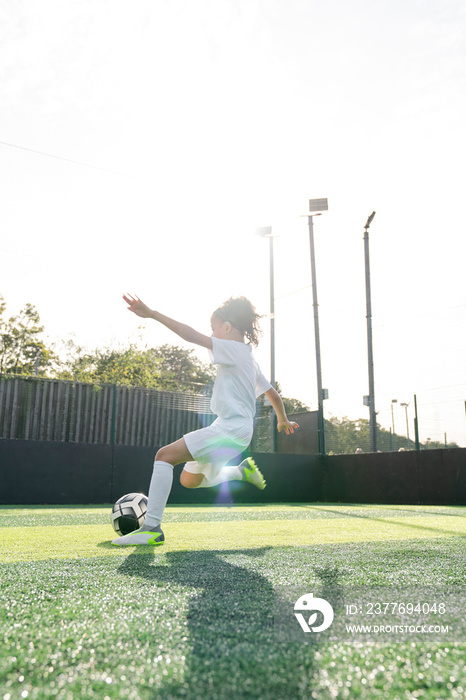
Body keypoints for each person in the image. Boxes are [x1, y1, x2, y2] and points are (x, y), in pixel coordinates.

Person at [112, 294, 299, 546]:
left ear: (227, 327)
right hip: (235, 431)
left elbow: (190, 335)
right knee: (190, 481)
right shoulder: (249, 358)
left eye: (213, 328)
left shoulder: (232, 348)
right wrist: (282, 420)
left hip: (230, 429)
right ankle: (239, 472)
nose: (211, 334)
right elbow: (272, 394)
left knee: (164, 456)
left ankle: (152, 528)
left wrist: (153, 314)